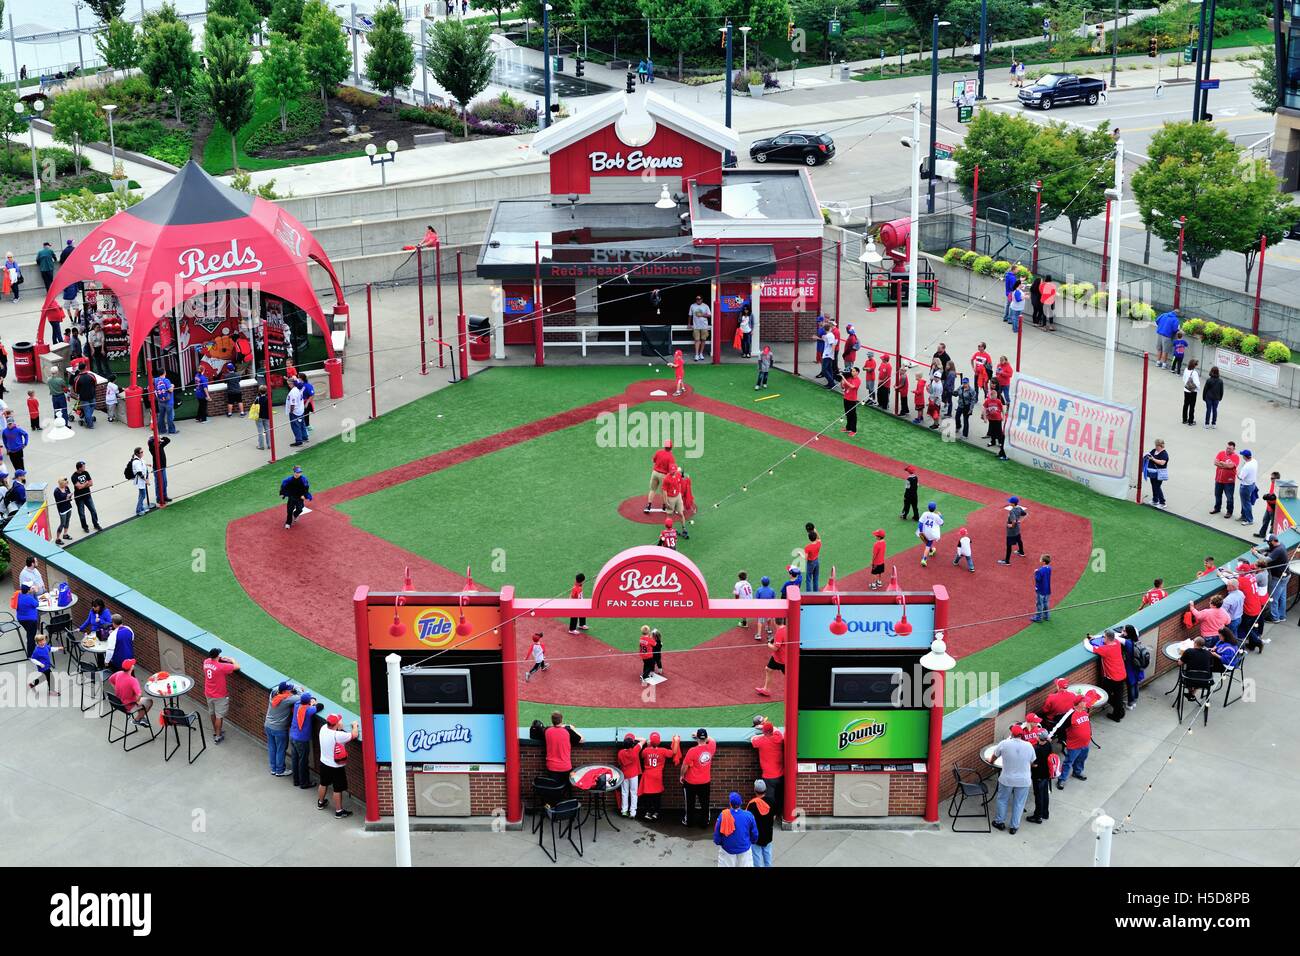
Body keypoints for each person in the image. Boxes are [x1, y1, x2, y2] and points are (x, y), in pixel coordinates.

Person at [990, 726, 1034, 834]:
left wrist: (991, 762)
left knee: (1002, 800)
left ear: (1012, 734)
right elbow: (1032, 762)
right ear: (1021, 734)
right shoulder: (1029, 745)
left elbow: (994, 756)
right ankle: (1014, 827)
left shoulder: (1004, 743)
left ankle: (999, 822)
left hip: (1007, 779)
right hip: (1023, 780)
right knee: (1019, 803)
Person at [317, 714, 360, 819]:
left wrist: (338, 728)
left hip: (324, 762)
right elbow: (354, 735)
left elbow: (335, 732)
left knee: (323, 783)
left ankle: (321, 802)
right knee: (337, 789)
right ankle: (339, 811)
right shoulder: (338, 735)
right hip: (336, 767)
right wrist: (355, 725)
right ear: (336, 724)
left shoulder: (323, 728)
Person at [1083, 630, 1128, 722]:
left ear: (1107, 638)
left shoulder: (1105, 649)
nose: (1103, 638)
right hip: (1121, 674)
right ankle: (1118, 712)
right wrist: (1094, 637)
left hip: (1112, 677)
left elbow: (1089, 647)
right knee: (1118, 696)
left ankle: (1118, 711)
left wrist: (1085, 641)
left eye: (1104, 637)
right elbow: (1110, 636)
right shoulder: (1116, 643)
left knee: (1104, 694)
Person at [264, 681, 303, 777]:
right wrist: (296, 687)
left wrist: (290, 688)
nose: (290, 690)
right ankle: (280, 770)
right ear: (285, 691)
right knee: (281, 749)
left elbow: (278, 688)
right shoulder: (287, 699)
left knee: (272, 747)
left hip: (268, 725)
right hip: (279, 729)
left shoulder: (273, 694)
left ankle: (273, 768)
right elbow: (301, 696)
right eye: (289, 689)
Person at [681, 728, 717, 828]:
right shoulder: (711, 746)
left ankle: (689, 822)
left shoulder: (692, 751)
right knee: (705, 803)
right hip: (705, 782)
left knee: (690, 804)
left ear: (697, 738)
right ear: (706, 738)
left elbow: (684, 766)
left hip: (691, 782)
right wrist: (702, 736)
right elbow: (712, 740)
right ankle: (704, 823)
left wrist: (681, 775)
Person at [202, 648, 239, 743]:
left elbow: (214, 661)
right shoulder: (221, 666)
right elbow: (237, 667)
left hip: (208, 692)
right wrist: (232, 660)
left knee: (212, 713)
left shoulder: (206, 662)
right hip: (219, 695)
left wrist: (220, 658)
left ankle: (216, 731)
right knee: (219, 716)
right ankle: (218, 736)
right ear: (217, 655)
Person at [1252, 534, 1291, 623]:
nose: (1268, 543)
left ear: (1273, 541)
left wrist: (1255, 553)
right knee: (1282, 596)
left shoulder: (1278, 550)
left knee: (1273, 598)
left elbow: (1265, 560)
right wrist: (1259, 549)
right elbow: (1268, 548)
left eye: (1269, 542)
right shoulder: (1280, 545)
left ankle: (1275, 618)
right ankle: (1282, 616)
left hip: (1279, 577)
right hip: (1286, 575)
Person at [714, 792, 759, 867]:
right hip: (744, 849)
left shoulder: (723, 815)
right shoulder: (749, 815)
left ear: (730, 803)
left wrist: (719, 842)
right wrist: (751, 842)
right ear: (741, 803)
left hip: (727, 850)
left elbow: (717, 834)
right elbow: (754, 833)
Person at [1056, 695, 1092, 789]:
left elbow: (1087, 724)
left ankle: (1077, 772)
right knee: (1068, 762)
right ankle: (1062, 779)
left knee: (1081, 759)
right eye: (1084, 702)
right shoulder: (1070, 715)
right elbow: (1059, 727)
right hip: (1074, 745)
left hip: (1085, 743)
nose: (1086, 703)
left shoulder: (1085, 712)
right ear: (1079, 703)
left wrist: (1089, 734)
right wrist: (1061, 739)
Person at [289, 692, 321, 789]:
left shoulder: (297, 704)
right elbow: (320, 706)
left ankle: (296, 781)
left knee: (295, 759)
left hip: (293, 736)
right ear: (308, 701)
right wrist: (314, 703)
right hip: (301, 740)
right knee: (303, 762)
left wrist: (311, 701)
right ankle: (304, 783)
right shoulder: (309, 710)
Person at [750, 719, 784, 813]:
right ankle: (780, 813)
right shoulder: (778, 737)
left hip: (768, 777)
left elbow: (752, 739)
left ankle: (772, 816)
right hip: (781, 774)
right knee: (780, 796)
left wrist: (762, 733)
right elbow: (776, 730)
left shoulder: (761, 741)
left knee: (769, 799)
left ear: (764, 731)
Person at [541, 711, 583, 787]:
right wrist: (573, 729)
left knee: (554, 789)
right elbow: (581, 739)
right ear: (561, 720)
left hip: (551, 767)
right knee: (566, 788)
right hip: (565, 767)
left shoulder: (547, 730)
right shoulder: (568, 731)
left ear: (552, 720)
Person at [638, 731, 673, 820]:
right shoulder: (663, 751)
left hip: (648, 776)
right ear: (659, 742)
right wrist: (676, 741)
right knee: (657, 796)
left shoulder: (646, 750)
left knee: (648, 796)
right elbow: (673, 752)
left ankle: (648, 812)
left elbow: (642, 756)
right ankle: (656, 813)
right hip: (657, 776)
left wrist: (648, 745)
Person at [1179, 637, 1225, 703]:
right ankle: (1192, 694)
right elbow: (1211, 665)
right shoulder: (1209, 653)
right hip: (1205, 681)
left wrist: (1180, 660)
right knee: (1199, 676)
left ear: (1195, 643)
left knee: (1188, 675)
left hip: (1189, 679)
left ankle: (1191, 693)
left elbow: (1180, 663)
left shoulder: (1189, 651)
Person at [107, 659, 153, 724]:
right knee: (149, 702)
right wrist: (137, 702)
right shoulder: (133, 680)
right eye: (132, 664)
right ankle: (137, 720)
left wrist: (116, 689)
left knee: (141, 699)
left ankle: (141, 717)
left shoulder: (118, 673)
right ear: (131, 667)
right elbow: (139, 694)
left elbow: (110, 680)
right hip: (128, 706)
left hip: (119, 703)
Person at [747, 780, 776, 867]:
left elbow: (749, 821)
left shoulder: (752, 804)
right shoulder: (772, 801)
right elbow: (774, 817)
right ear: (765, 789)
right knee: (768, 855)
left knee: (756, 858)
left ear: (755, 790)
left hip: (756, 836)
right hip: (768, 834)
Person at [755, 623, 786, 698]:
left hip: (783, 659)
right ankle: (766, 689)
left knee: (790, 677)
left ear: (775, 621)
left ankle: (798, 691)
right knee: (768, 669)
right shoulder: (784, 628)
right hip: (777, 657)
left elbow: (775, 648)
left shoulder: (780, 632)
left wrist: (768, 644)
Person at [1210, 440, 1239, 519]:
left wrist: (1222, 463)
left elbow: (1231, 466)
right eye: (1227, 448)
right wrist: (1225, 465)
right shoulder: (1221, 453)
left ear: (1234, 449)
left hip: (1229, 481)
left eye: (1230, 449)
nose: (1228, 450)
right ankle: (1217, 508)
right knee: (1217, 495)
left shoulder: (1235, 457)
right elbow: (1215, 463)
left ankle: (1229, 512)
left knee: (1229, 497)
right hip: (1219, 480)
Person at [644, 439, 675, 513]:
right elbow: (671, 470)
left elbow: (653, 460)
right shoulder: (671, 457)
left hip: (654, 473)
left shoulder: (659, 452)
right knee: (664, 492)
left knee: (652, 490)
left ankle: (648, 506)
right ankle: (664, 507)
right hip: (663, 476)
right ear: (671, 447)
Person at [615, 733, 642, 818]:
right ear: (632, 743)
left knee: (624, 792)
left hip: (625, 774)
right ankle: (633, 812)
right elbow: (644, 740)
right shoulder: (635, 750)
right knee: (634, 793)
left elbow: (619, 763)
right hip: (634, 774)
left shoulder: (620, 753)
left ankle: (624, 811)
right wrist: (634, 738)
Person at [280, 465, 313, 529]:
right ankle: (288, 523)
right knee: (289, 510)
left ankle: (295, 514)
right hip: (291, 496)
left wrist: (304, 495)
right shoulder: (289, 480)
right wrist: (282, 493)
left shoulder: (303, 479)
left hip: (300, 497)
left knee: (300, 509)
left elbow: (306, 488)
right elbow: (283, 485)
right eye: (297, 472)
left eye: (300, 472)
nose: (298, 474)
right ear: (294, 472)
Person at [999, 496, 1028, 564]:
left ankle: (1007, 561)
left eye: (1010, 502)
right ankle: (1021, 552)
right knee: (1019, 540)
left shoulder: (1012, 511)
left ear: (1013, 503)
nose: (1009, 503)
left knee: (1009, 546)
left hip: (1011, 531)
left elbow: (1014, 521)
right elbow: (1025, 514)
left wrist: (1011, 525)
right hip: (1017, 529)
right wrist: (1020, 521)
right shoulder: (1019, 508)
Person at [1143, 438, 1169, 509]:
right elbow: (1150, 454)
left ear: (1160, 446)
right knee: (1153, 485)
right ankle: (1155, 500)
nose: (1156, 447)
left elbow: (1162, 463)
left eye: (1157, 446)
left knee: (1157, 487)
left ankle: (1162, 502)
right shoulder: (1154, 450)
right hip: (1153, 472)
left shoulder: (1164, 454)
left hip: (1160, 473)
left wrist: (1153, 459)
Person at [1236, 449, 1258, 527]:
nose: (1242, 456)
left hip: (1245, 486)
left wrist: (1236, 473)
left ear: (1245, 457)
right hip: (1252, 484)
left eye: (1243, 455)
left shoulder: (1247, 467)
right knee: (1245, 502)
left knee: (1246, 503)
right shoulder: (1254, 461)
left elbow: (1240, 477)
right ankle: (1244, 516)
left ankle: (1249, 520)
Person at [982, 389, 1007, 459]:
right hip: (991, 419)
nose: (995, 397)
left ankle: (1000, 442)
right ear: (991, 395)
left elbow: (1002, 409)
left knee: (999, 432)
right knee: (992, 431)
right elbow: (984, 408)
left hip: (998, 419)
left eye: (996, 395)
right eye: (994, 396)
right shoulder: (988, 401)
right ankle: (993, 442)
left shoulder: (998, 401)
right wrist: (985, 418)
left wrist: (1003, 416)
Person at [147, 433, 170, 505]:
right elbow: (150, 442)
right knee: (159, 483)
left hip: (163, 467)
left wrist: (160, 438)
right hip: (157, 468)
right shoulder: (152, 448)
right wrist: (154, 438)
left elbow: (167, 440)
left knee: (164, 482)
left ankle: (164, 496)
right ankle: (159, 498)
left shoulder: (160, 445)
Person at [917, 501, 943, 568]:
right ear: (935, 508)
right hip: (931, 533)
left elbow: (920, 523)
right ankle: (924, 559)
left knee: (927, 542)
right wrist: (941, 516)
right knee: (928, 545)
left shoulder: (925, 513)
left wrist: (921, 532)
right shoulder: (936, 516)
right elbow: (942, 523)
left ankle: (931, 550)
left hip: (924, 531)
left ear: (928, 508)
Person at [16, 584, 39, 656]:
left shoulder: (18, 595)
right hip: (31, 620)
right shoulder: (29, 598)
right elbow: (36, 604)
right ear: (28, 590)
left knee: (30, 633)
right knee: (31, 636)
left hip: (21, 619)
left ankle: (33, 647)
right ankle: (31, 654)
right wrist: (35, 593)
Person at [839, 366, 861, 436]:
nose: (852, 372)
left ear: (857, 372)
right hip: (846, 398)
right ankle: (848, 428)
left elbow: (852, 386)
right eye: (852, 371)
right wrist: (842, 382)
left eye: (854, 371)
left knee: (853, 415)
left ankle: (854, 430)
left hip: (852, 400)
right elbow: (843, 387)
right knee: (847, 413)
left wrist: (843, 378)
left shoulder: (858, 380)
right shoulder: (849, 378)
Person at [689, 295, 711, 361]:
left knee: (703, 340)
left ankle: (701, 353)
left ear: (702, 299)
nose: (698, 300)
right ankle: (696, 355)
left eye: (699, 299)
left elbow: (709, 315)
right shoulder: (692, 306)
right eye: (697, 299)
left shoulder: (706, 306)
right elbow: (690, 315)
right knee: (697, 340)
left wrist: (702, 315)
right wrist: (689, 324)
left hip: (704, 326)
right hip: (696, 326)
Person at [130, 447, 151, 516]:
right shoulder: (136, 462)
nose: (142, 453)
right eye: (141, 452)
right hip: (141, 481)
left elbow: (142, 463)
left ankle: (141, 508)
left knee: (141, 495)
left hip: (142, 480)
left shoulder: (139, 459)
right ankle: (138, 510)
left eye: (143, 451)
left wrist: (147, 464)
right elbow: (139, 473)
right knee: (142, 495)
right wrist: (146, 480)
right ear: (137, 454)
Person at [53, 477, 73, 544]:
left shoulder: (66, 488)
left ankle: (65, 534)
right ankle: (58, 539)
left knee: (67, 521)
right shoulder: (56, 491)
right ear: (61, 484)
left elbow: (70, 497)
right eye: (65, 483)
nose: (66, 484)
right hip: (62, 509)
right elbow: (58, 502)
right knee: (62, 523)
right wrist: (66, 498)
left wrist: (69, 497)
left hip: (68, 507)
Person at [1032, 554, 1052, 622]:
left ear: (1043, 562)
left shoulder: (1040, 571)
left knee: (1039, 604)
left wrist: (1036, 572)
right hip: (1047, 589)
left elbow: (1038, 579)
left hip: (1041, 589)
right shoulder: (1049, 568)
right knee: (1046, 603)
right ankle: (1046, 616)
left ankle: (1038, 618)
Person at [1181, 358, 1200, 425]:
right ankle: (1190, 421)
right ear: (1194, 365)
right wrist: (1198, 389)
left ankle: (1184, 419)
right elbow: (1197, 383)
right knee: (1192, 406)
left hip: (1186, 390)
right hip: (1193, 391)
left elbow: (1183, 379)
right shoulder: (1194, 373)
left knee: (1185, 405)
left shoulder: (1186, 370)